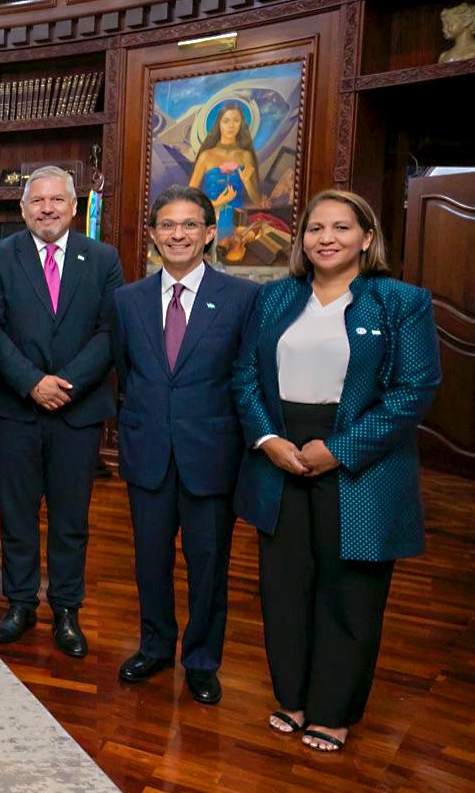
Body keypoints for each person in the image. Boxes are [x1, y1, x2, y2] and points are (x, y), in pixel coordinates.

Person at [233, 189, 440, 753]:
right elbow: (245, 375)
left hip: (360, 466)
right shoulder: (274, 299)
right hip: (280, 460)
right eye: (315, 228)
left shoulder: (400, 301)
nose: (326, 238)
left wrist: (341, 449)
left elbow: (414, 389)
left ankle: (333, 710)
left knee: (349, 592)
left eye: (341, 228)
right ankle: (294, 697)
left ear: (367, 238)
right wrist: (269, 439)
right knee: (285, 586)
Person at [112, 186, 259, 703]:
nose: (178, 235)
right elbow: (127, 372)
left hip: (211, 456)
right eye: (168, 226)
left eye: (190, 225)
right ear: (153, 235)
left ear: (210, 233)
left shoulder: (243, 298)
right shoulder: (127, 300)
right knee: (149, 561)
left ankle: (201, 659)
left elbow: (249, 375)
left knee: (208, 564)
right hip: (147, 450)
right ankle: (154, 647)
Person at [0, 165, 122, 658]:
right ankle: (19, 603)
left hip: (76, 414)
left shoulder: (103, 258)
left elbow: (109, 332)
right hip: (14, 410)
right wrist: (32, 383)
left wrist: (66, 385)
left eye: (56, 200)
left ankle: (66, 609)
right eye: (37, 201)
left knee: (70, 518)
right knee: (16, 515)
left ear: (74, 206)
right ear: (22, 209)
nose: (46, 208)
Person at [188, 101, 262, 245]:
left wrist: (247, 182)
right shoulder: (206, 156)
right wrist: (216, 203)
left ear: (241, 124)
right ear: (219, 124)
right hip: (209, 217)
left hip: (238, 222)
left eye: (236, 120)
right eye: (226, 120)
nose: (231, 125)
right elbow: (190, 195)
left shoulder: (245, 156)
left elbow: (257, 201)